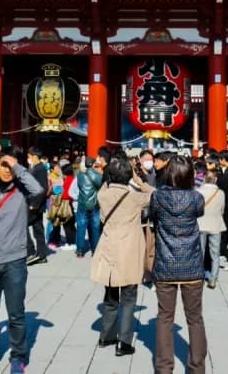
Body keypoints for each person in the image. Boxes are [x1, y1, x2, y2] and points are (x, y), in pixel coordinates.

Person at [0, 149, 44, 374]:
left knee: (16, 314)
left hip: (15, 262)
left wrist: (17, 167)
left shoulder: (22, 191)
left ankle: (18, 357)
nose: (6, 170)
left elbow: (39, 189)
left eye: (10, 165)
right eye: (3, 164)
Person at [91, 155, 154, 357]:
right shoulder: (134, 197)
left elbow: (103, 184)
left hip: (109, 246)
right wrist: (138, 181)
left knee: (110, 296)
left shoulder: (103, 194)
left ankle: (106, 336)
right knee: (129, 297)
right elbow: (156, 194)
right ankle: (124, 342)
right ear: (127, 175)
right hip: (129, 248)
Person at [150, 155, 207, 374]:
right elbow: (199, 213)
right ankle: (197, 368)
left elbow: (153, 217)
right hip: (192, 264)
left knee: (165, 318)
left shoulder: (158, 197)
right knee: (195, 318)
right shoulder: (196, 198)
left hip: (165, 265)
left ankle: (164, 368)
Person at [197, 169, 225, 289]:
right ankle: (213, 278)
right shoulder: (220, 193)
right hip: (215, 224)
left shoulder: (198, 192)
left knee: (200, 253)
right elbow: (222, 210)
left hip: (201, 224)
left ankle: (199, 277)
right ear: (215, 180)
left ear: (204, 179)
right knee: (215, 253)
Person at [75, 156, 103, 259]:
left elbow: (79, 187)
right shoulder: (97, 175)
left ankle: (80, 251)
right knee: (95, 228)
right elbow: (101, 186)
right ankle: (95, 250)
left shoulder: (79, 176)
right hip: (94, 205)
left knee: (81, 228)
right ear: (93, 164)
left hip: (82, 204)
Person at [26, 148, 50, 265]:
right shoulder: (35, 168)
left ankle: (31, 251)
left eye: (29, 156)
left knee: (22, 225)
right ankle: (41, 254)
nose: (28, 158)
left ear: (34, 156)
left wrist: (34, 204)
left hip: (35, 205)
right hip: (36, 204)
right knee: (38, 228)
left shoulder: (40, 169)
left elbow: (42, 188)